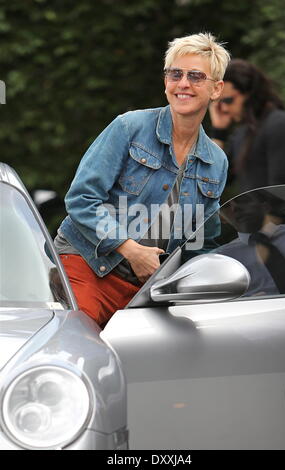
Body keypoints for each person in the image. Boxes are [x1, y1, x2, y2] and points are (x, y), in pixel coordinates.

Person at [54, 32, 230, 327]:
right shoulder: (129, 127)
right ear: (166, 82)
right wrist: (130, 249)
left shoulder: (217, 162)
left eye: (196, 76)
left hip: (149, 291)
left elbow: (204, 243)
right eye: (176, 74)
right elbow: (81, 199)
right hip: (87, 266)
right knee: (81, 345)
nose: (183, 84)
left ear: (216, 89)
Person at [209, 59, 285, 192]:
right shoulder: (243, 132)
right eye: (219, 102)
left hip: (268, 213)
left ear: (248, 94)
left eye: (228, 100)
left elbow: (282, 194)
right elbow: (214, 182)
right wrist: (219, 132)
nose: (224, 109)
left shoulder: (278, 124)